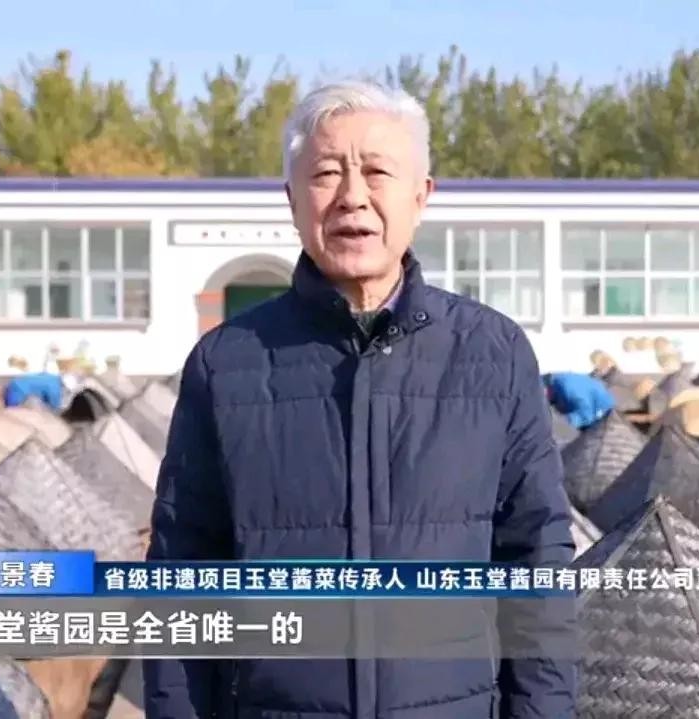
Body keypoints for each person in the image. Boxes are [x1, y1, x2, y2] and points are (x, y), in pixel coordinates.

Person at [143, 80, 576, 718]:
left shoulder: (493, 353)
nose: (352, 196)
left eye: (377, 172)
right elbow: (182, 575)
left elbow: (536, 562)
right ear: (292, 200)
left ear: (421, 195)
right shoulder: (226, 364)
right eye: (325, 173)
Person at [543, 371, 616, 430]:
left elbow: (587, 414)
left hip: (601, 410)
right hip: (588, 402)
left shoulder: (571, 392)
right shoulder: (556, 382)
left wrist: (570, 419)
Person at [2, 370, 78, 411]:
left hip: (12, 384)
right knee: (14, 414)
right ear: (64, 385)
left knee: (8, 415)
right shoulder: (55, 388)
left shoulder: (52, 376)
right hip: (19, 391)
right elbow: (55, 407)